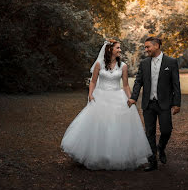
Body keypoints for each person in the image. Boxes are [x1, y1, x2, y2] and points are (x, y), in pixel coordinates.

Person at [61, 40, 152, 170]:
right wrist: (90, 94)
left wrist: (131, 99)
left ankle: (114, 156)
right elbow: (93, 81)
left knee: (116, 127)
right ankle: (98, 156)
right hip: (100, 97)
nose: (120, 50)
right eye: (118, 48)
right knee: (99, 126)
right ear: (110, 49)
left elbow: (125, 85)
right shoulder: (99, 64)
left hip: (117, 97)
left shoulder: (123, 66)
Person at [127, 37, 181, 171]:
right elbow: (138, 81)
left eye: (147, 47)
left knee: (166, 130)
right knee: (149, 132)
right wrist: (134, 97)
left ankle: (161, 148)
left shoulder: (171, 62)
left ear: (156, 46)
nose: (146, 50)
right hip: (148, 104)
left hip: (164, 104)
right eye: (145, 47)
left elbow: (176, 84)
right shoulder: (144, 63)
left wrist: (176, 103)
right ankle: (152, 162)